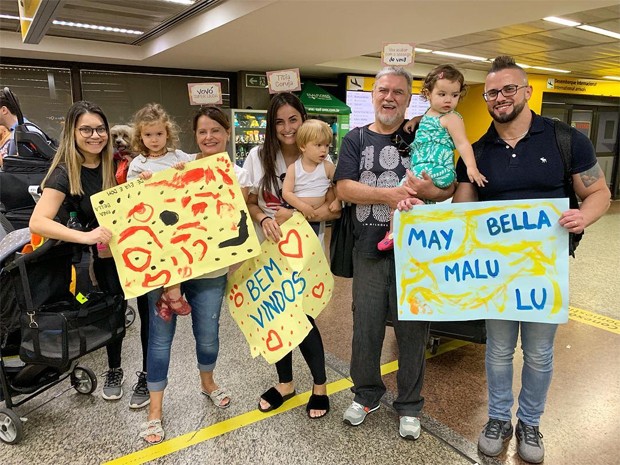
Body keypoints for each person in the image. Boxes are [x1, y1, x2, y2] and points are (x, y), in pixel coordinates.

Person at [451, 56, 611, 464]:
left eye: (508, 89)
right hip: (497, 273)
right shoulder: (477, 151)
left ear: (526, 91)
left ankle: (531, 422)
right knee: (499, 350)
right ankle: (498, 418)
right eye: (492, 92)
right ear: (485, 99)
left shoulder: (564, 139)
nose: (500, 98)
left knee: (539, 354)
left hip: (545, 271)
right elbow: (461, 212)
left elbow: (599, 194)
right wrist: (418, 206)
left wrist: (583, 216)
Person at [333, 66, 455, 440]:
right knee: (365, 327)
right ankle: (366, 394)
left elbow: (447, 188)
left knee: (413, 330)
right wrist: (389, 194)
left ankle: (409, 405)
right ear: (373, 95)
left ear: (409, 98)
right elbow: (344, 188)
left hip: (416, 253)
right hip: (367, 250)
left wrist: (426, 191)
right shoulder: (355, 140)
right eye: (383, 90)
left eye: (398, 92)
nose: (389, 97)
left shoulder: (425, 134)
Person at [141, 105, 250, 445]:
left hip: (210, 270)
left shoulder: (237, 172)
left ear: (228, 133)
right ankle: (154, 411)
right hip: (166, 269)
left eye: (215, 131)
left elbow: (238, 222)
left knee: (208, 334)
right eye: (202, 131)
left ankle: (208, 383)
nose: (209, 137)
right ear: (194, 135)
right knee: (159, 339)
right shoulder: (181, 163)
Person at [244, 93, 339, 419]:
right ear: (271, 126)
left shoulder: (319, 158)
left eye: (293, 120)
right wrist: (266, 218)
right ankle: (285, 383)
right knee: (276, 314)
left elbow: (334, 208)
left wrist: (295, 216)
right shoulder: (259, 157)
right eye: (279, 121)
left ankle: (320, 385)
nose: (286, 128)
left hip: (306, 251)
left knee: (303, 313)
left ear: (304, 121)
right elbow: (251, 202)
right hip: (269, 252)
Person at [29, 100, 128, 401]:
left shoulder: (118, 162)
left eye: (100, 129)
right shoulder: (64, 173)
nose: (95, 135)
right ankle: (115, 368)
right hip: (101, 255)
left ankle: (145, 374)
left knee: (139, 312)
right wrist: (84, 237)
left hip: (132, 250)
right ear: (72, 132)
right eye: (86, 129)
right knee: (114, 310)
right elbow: (38, 221)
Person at [377, 64, 486, 251]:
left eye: (454, 95)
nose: (448, 100)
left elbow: (463, 143)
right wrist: (415, 120)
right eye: (442, 94)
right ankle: (400, 232)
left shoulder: (452, 118)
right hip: (422, 168)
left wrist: (471, 168)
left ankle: (401, 232)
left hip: (438, 168)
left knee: (407, 194)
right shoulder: (430, 114)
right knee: (402, 197)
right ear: (428, 94)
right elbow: (428, 118)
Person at [127, 103, 192, 321]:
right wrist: (140, 181)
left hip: (178, 216)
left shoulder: (178, 157)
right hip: (152, 220)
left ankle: (170, 294)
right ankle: (172, 294)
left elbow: (194, 180)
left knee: (180, 251)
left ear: (167, 134)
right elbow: (129, 194)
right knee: (165, 254)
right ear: (140, 136)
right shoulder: (138, 163)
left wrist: (184, 171)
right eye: (148, 134)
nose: (154, 139)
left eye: (159, 133)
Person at [281, 118, 341, 234]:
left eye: (327, 145)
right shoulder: (293, 168)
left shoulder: (328, 167)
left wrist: (337, 200)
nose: (324, 150)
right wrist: (303, 207)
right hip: (296, 211)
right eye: (318, 145)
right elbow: (286, 192)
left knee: (316, 244)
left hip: (318, 217)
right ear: (303, 146)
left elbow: (339, 185)